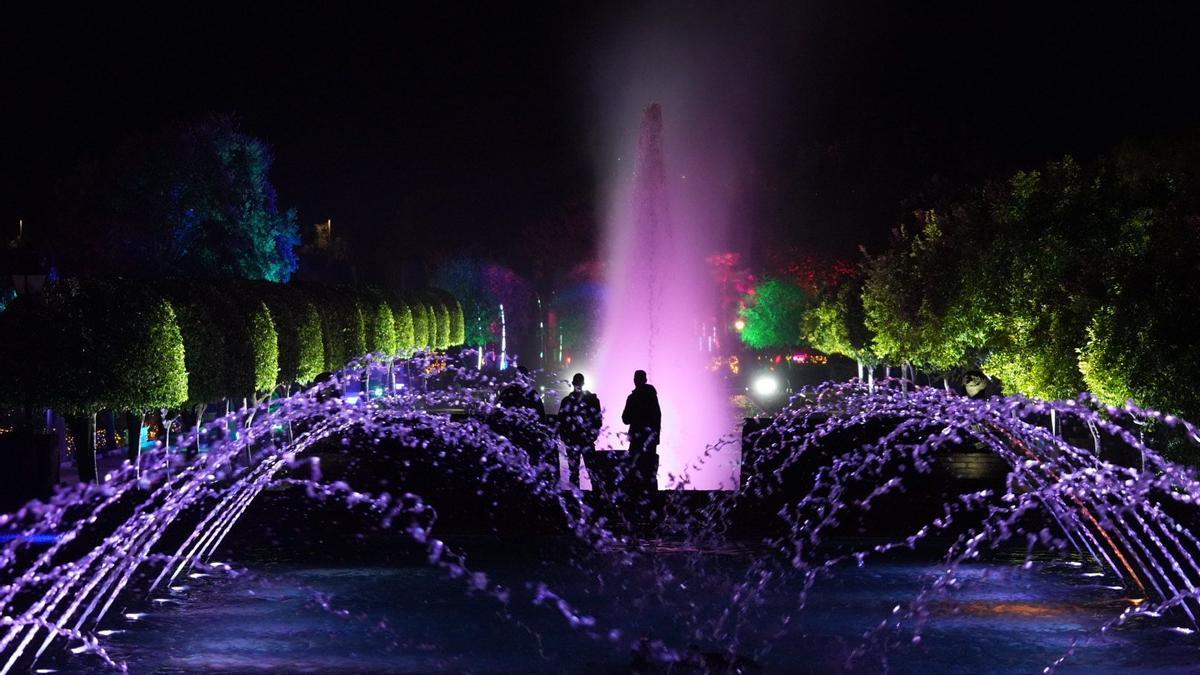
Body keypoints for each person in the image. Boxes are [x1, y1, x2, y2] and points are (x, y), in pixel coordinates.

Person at [621, 369, 661, 504]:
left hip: (636, 439)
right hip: (650, 439)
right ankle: (652, 499)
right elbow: (657, 417)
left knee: (635, 467)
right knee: (650, 469)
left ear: (635, 380)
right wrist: (655, 437)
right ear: (645, 380)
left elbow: (625, 419)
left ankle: (636, 499)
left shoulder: (632, 398)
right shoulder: (652, 397)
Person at [557, 373, 602, 488]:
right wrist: (593, 435)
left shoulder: (567, 401)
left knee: (574, 472)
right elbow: (598, 420)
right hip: (585, 440)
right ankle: (596, 498)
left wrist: (565, 438)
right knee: (592, 470)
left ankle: (574, 498)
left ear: (573, 384)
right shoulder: (591, 400)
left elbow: (561, 422)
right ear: (583, 384)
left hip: (573, 440)